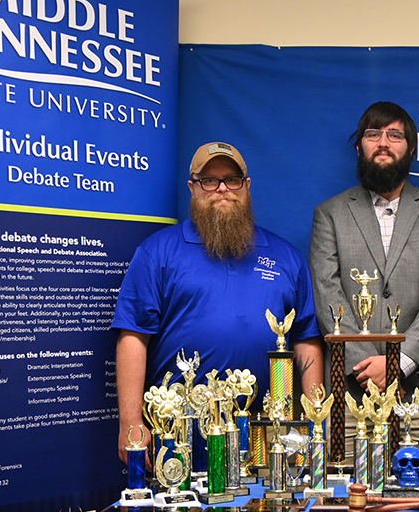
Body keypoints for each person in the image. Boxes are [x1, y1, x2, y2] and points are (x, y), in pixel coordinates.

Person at [112, 141, 323, 461]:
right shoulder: (157, 252)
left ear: (247, 186)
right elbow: (133, 337)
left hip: (268, 435)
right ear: (192, 187)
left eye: (232, 179)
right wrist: (130, 422)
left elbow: (306, 339)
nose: (222, 189)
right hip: (178, 433)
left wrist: (312, 421)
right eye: (209, 181)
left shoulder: (285, 257)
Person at [309, 101, 419, 396]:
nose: (383, 143)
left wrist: (398, 363)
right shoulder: (329, 214)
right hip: (352, 388)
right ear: (359, 148)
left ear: (411, 150)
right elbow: (327, 294)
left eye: (395, 135)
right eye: (373, 134)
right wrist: (368, 371)